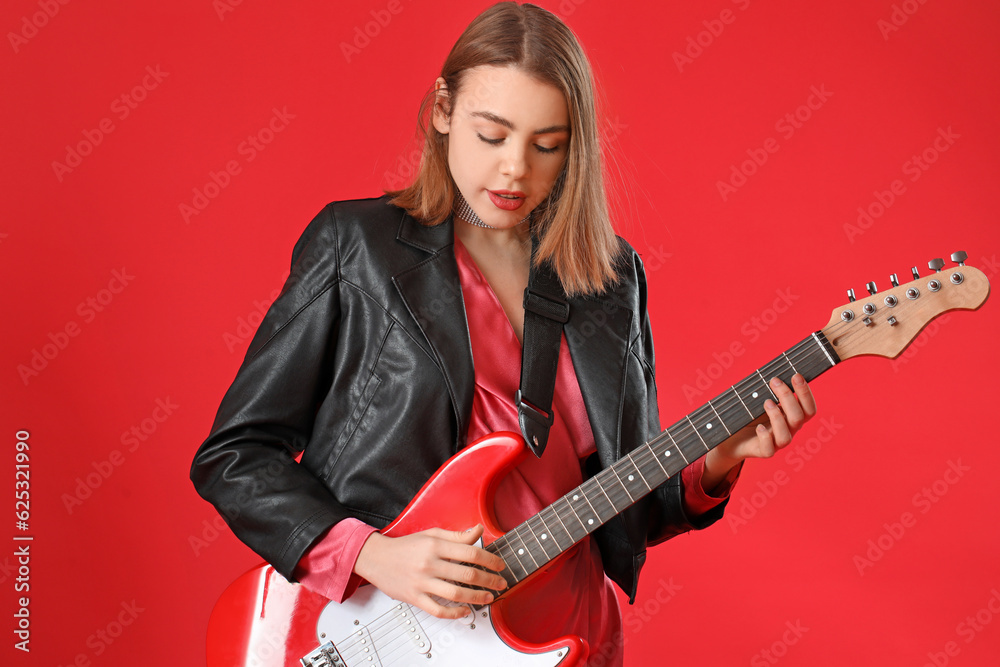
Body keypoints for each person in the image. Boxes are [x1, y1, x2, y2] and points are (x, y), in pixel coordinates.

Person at [190, 3, 817, 665]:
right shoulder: (357, 247)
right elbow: (236, 456)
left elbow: (626, 501)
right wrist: (372, 555)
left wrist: (717, 461)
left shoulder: (611, 280)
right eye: (492, 135)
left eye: (548, 144)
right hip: (392, 636)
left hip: (567, 635)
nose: (516, 168)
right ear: (442, 111)